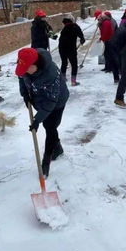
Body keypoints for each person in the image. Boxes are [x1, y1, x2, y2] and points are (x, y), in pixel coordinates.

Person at [17, 48, 69, 178]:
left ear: (36, 65)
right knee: (49, 126)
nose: (25, 72)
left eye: (27, 69)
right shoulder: (25, 64)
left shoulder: (50, 75)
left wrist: (37, 120)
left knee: (50, 127)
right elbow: (21, 77)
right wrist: (25, 95)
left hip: (57, 102)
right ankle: (58, 149)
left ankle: (46, 162)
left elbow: (51, 101)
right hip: (40, 99)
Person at [58, 15, 85, 86]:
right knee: (74, 64)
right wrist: (82, 40)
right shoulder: (75, 26)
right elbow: (81, 35)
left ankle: (63, 79)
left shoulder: (64, 28)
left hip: (62, 48)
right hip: (70, 48)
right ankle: (73, 81)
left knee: (64, 63)